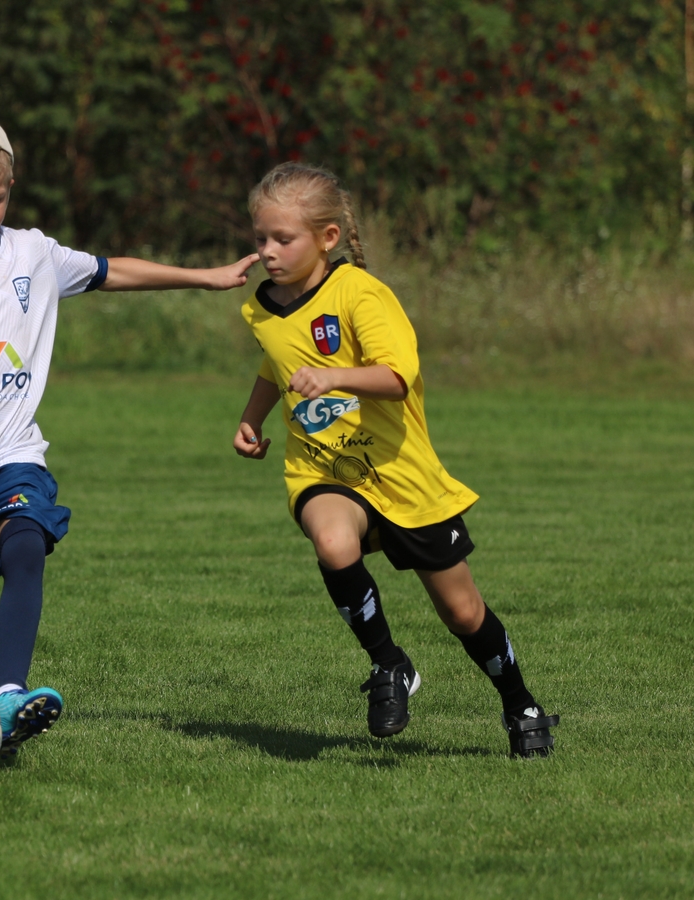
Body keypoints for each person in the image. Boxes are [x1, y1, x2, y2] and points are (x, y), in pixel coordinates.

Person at [0, 111, 255, 755]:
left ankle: (9, 696)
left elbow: (110, 271)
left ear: (10, 189)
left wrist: (205, 277)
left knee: (27, 543)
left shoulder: (32, 252)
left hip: (10, 456)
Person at [232, 162, 557, 758]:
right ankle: (389, 664)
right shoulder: (261, 306)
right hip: (323, 467)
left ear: (328, 238)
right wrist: (252, 418)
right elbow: (275, 363)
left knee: (463, 613)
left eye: (284, 238)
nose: (268, 251)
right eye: (260, 238)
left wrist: (333, 377)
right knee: (333, 542)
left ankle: (521, 704)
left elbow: (396, 377)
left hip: (401, 474)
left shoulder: (361, 294)